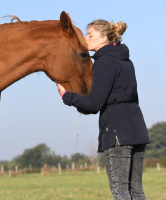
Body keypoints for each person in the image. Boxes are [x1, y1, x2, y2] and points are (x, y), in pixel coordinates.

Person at [57, 20, 150, 200]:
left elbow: (93, 104)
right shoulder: (126, 61)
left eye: (90, 35)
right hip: (137, 131)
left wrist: (66, 96)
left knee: (120, 191)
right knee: (137, 191)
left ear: (105, 38)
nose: (86, 39)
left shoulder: (104, 63)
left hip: (118, 135)